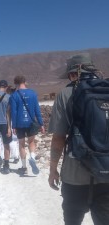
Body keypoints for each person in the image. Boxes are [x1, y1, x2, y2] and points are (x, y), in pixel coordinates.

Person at [48, 53, 109, 225]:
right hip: (107, 173)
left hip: (75, 175)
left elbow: (58, 138)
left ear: (74, 74)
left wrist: (53, 169)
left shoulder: (66, 94)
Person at [10, 75, 45, 175]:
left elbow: (14, 112)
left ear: (15, 83)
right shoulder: (33, 93)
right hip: (31, 122)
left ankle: (24, 167)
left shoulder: (14, 95)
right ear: (25, 82)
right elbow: (37, 110)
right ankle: (32, 158)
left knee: (21, 144)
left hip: (20, 123)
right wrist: (41, 123)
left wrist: (13, 126)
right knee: (31, 142)